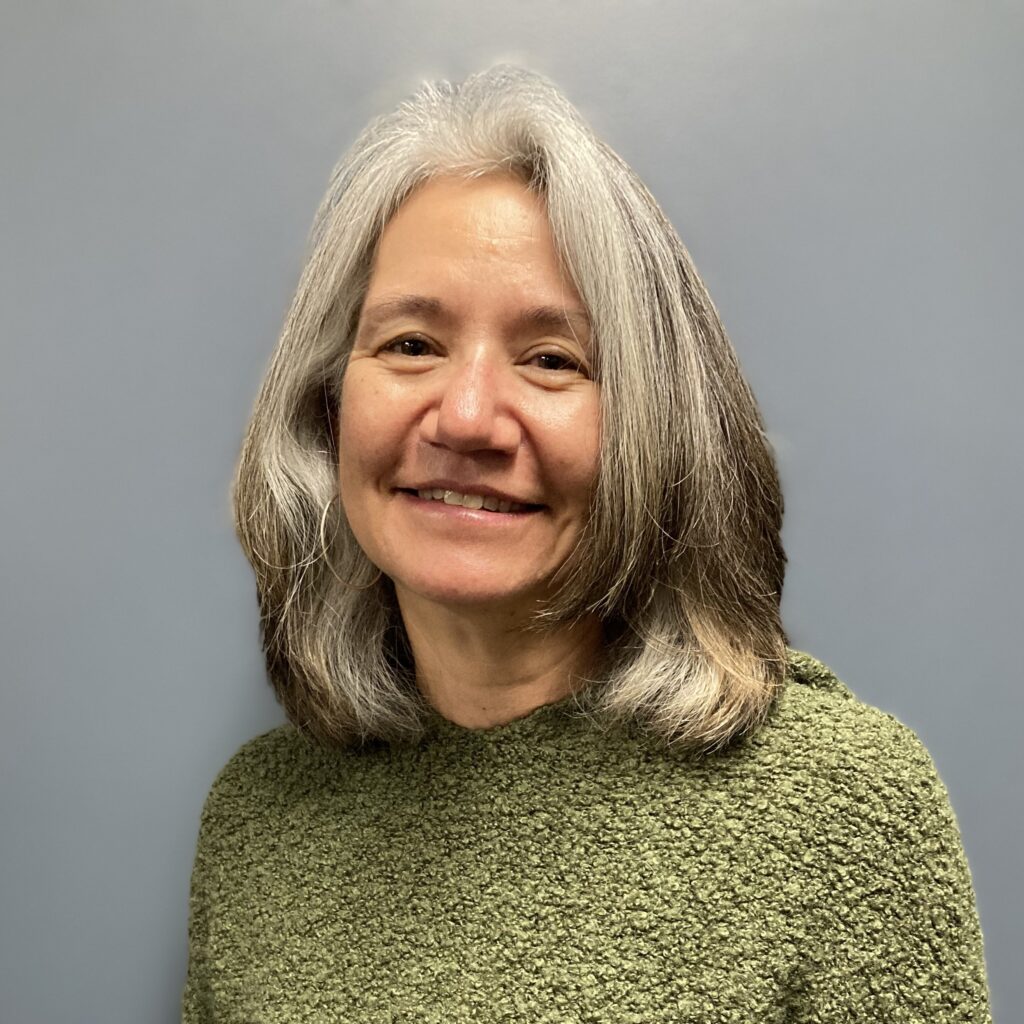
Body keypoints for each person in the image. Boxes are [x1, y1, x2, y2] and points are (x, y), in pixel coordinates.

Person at [182, 65, 992, 1022]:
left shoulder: (844, 814)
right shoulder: (260, 821)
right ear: (328, 403)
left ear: (653, 428)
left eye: (552, 360)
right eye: (410, 345)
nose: (470, 416)